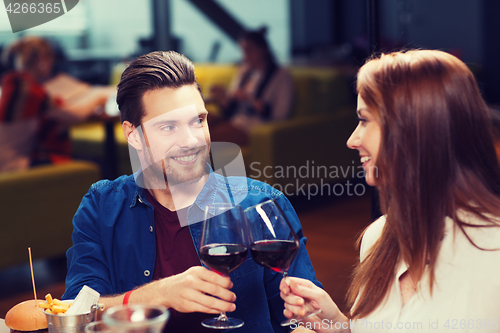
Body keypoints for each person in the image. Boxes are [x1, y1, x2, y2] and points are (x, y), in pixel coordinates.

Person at [62, 50, 320, 333]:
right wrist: (157, 295)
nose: (191, 141)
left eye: (198, 120)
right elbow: (75, 314)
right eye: (169, 127)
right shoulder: (101, 206)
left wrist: (307, 323)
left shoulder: (261, 205)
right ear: (133, 134)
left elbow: (307, 320)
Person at [280, 50, 500, 332]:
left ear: (413, 128)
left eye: (364, 120)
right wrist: (338, 325)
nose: (352, 140)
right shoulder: (379, 238)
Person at [209, 27, 294, 146]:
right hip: (234, 120)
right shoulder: (245, 72)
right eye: (243, 51)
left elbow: (281, 115)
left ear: (263, 49)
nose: (245, 56)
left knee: (205, 136)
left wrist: (251, 100)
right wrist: (223, 98)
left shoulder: (281, 76)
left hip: (252, 128)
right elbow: (230, 107)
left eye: (249, 50)